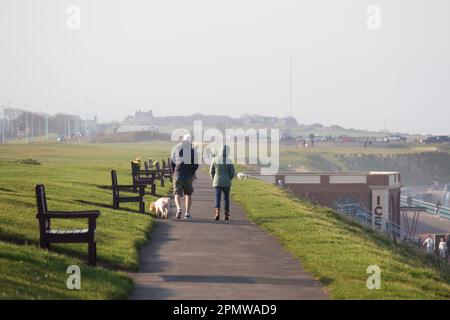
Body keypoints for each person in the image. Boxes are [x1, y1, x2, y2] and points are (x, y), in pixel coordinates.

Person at [170, 134, 199, 220]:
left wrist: (173, 171)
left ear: (183, 139)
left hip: (178, 174)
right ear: (190, 141)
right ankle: (187, 213)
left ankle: (179, 208)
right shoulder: (192, 150)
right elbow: (196, 164)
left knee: (177, 194)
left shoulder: (175, 147)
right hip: (188, 175)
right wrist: (192, 172)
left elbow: (172, 161)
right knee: (188, 194)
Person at [210, 145, 235, 221]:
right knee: (226, 198)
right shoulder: (230, 161)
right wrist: (229, 178)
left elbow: (211, 171)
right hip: (227, 182)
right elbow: (232, 173)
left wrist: (213, 178)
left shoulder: (215, 160)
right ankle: (226, 214)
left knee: (217, 198)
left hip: (217, 181)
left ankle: (217, 213)